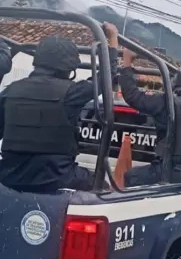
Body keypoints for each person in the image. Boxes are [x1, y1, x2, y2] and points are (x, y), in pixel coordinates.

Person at [0, 23, 120, 193]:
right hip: (58, 177)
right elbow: (106, 78)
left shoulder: (10, 91)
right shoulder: (72, 92)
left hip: (9, 177)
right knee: (105, 189)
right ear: (69, 67)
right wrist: (113, 40)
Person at [119, 49, 181, 187]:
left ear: (176, 84)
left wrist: (127, 65)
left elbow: (133, 96)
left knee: (131, 177)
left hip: (169, 171)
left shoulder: (167, 103)